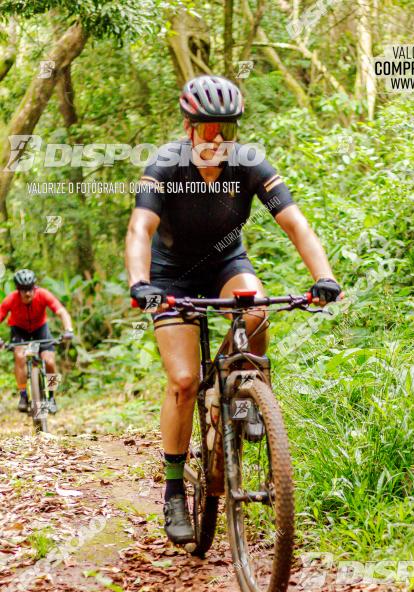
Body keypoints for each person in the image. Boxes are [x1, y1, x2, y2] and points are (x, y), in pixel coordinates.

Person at [125, 74, 342, 545]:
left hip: (226, 262)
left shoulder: (248, 164)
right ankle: (175, 492)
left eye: (228, 128)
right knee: (183, 382)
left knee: (257, 310)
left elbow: (295, 223)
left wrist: (323, 275)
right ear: (188, 128)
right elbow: (140, 228)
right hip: (171, 277)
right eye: (208, 129)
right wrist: (140, 283)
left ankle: (244, 392)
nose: (218, 139)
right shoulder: (165, 165)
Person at [0, 269, 74, 413]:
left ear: (34, 287)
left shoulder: (43, 295)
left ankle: (52, 396)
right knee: (20, 356)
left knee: (50, 362)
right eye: (23, 290)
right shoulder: (10, 300)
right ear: (18, 290)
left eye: (30, 289)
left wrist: (68, 330)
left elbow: (61, 312)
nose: (27, 293)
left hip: (40, 329)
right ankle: (23, 395)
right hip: (19, 330)